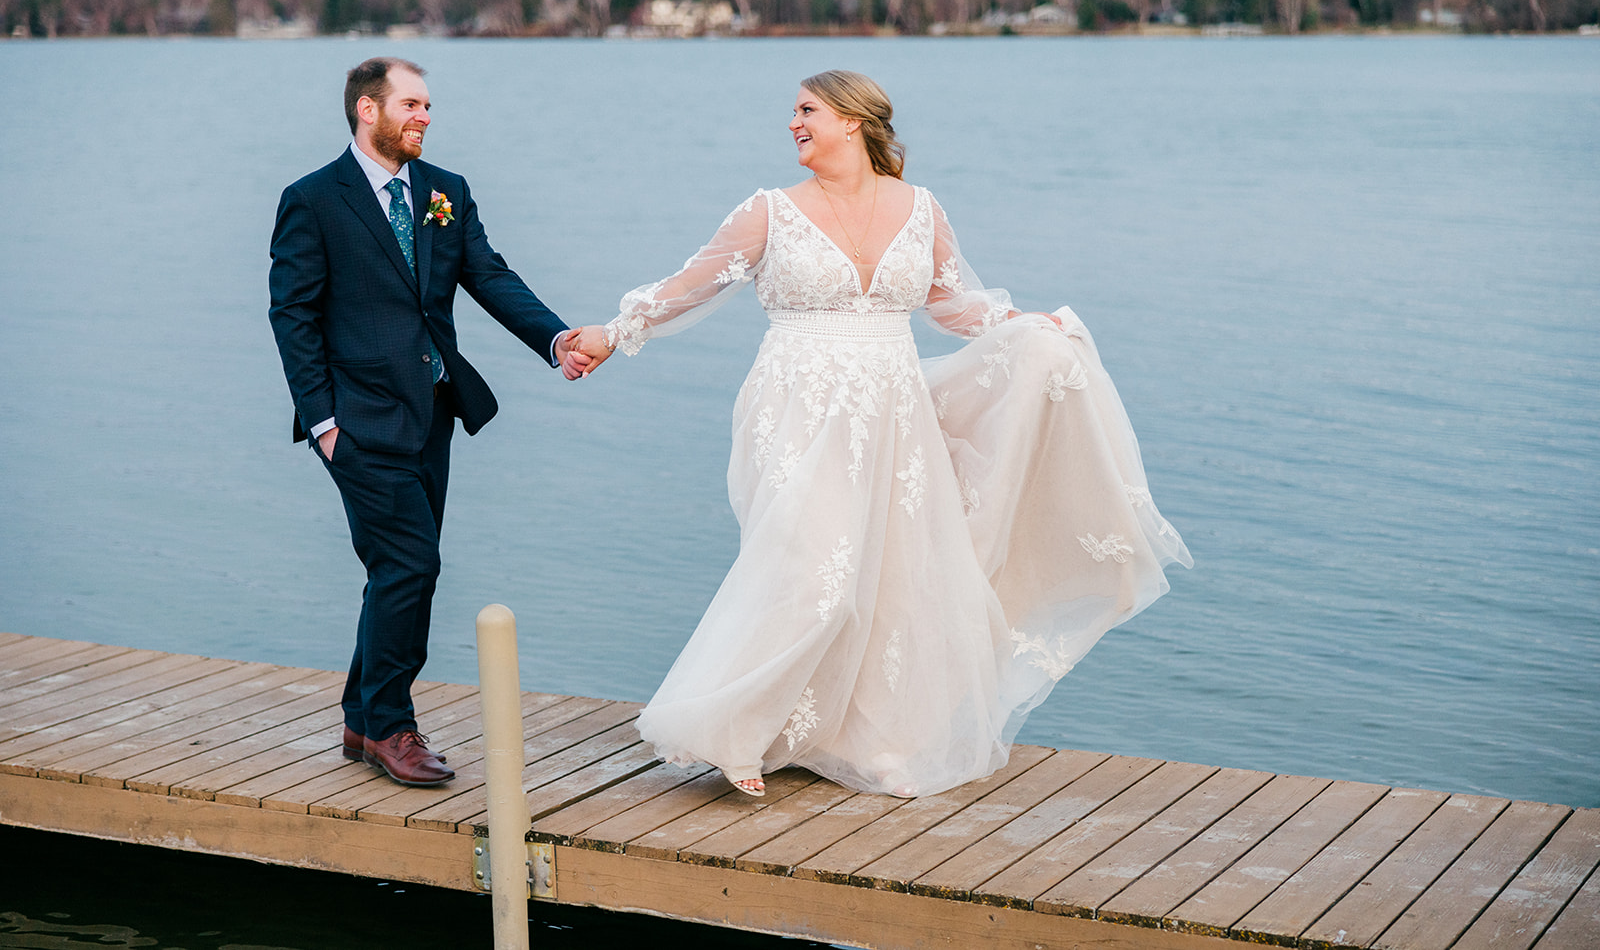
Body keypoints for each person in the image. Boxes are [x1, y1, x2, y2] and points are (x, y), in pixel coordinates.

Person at [569, 70, 1191, 798]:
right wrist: (613, 333)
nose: (793, 124)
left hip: (894, 409)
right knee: (809, 572)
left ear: (852, 121)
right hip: (797, 401)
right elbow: (692, 283)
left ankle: (884, 740)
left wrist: (1028, 328)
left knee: (900, 577)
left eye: (806, 111)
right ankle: (735, 730)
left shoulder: (922, 209)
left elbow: (953, 306)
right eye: (794, 113)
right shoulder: (770, 211)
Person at [268, 57, 590, 786]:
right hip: (356, 420)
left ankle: (360, 712)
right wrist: (324, 424)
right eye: (412, 104)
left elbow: (490, 275)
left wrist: (555, 338)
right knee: (413, 564)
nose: (426, 117)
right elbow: (292, 315)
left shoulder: (446, 191)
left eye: (428, 105)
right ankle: (389, 726)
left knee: (396, 569)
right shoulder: (313, 200)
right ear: (367, 111)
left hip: (433, 412)